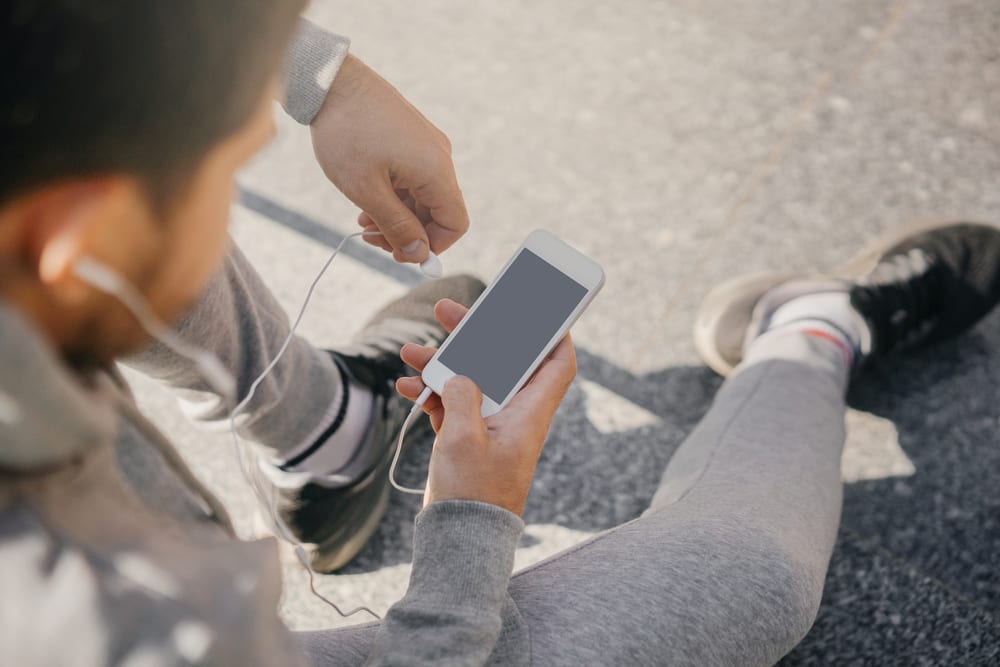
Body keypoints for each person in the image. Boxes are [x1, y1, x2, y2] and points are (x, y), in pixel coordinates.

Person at [2, 3, 999, 666]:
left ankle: (329, 437)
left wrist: (319, 79)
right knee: (751, 577)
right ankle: (809, 331)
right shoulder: (113, 619)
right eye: (231, 169)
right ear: (69, 242)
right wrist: (474, 516)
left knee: (111, 185)